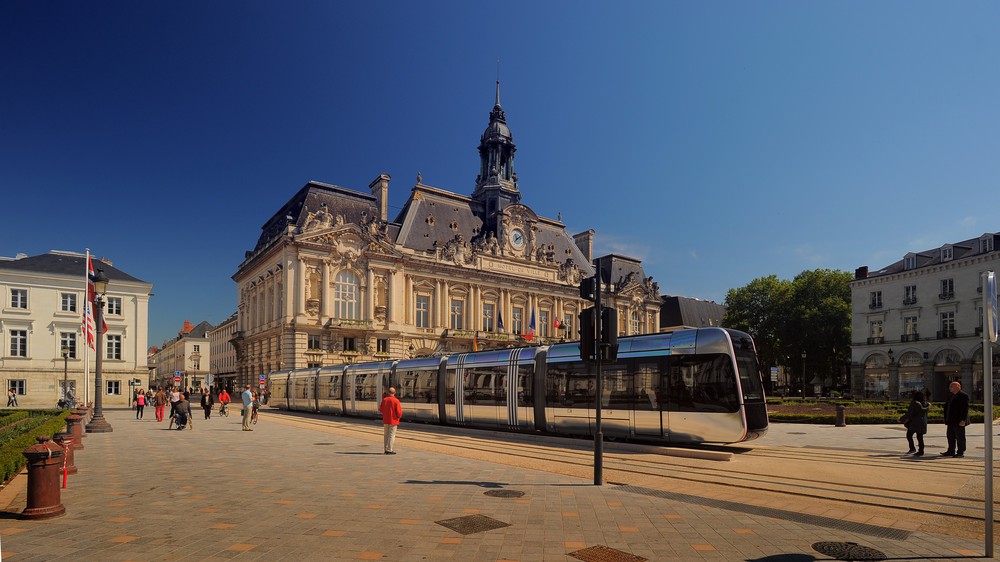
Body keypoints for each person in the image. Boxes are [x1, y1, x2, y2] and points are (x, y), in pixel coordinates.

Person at [941, 381, 970, 457]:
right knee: (950, 436)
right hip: (950, 420)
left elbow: (965, 409)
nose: (949, 388)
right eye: (950, 386)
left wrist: (963, 420)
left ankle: (960, 452)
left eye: (951, 386)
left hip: (958, 420)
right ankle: (951, 451)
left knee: (960, 437)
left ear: (957, 386)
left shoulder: (963, 396)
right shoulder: (950, 396)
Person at [902, 391, 929, 456]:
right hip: (922, 422)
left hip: (914, 423)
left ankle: (912, 448)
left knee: (909, 435)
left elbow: (910, 413)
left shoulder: (914, 403)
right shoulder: (926, 404)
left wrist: (902, 419)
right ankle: (921, 451)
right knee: (920, 437)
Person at [379, 386, 402, 455]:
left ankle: (385, 449)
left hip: (386, 420)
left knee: (386, 434)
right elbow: (399, 412)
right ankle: (389, 449)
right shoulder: (396, 401)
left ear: (388, 393)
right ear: (394, 393)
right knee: (392, 435)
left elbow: (381, 409)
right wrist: (399, 417)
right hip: (393, 420)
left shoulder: (384, 400)